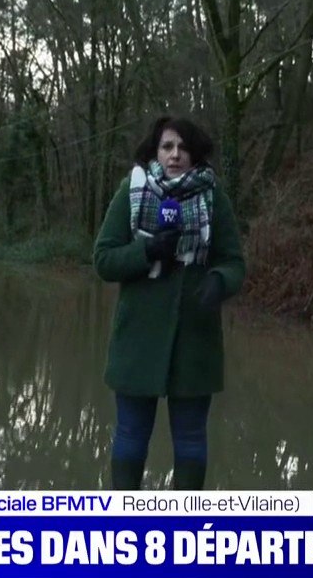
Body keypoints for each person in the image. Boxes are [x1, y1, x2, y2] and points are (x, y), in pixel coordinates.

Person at [92, 116, 246, 491]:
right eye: (167, 147)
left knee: (192, 438)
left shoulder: (213, 197)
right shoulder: (132, 190)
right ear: (155, 152)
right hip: (137, 339)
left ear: (195, 154)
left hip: (196, 338)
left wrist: (219, 280)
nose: (175, 154)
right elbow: (104, 260)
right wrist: (147, 250)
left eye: (183, 147)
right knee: (130, 434)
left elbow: (234, 262)